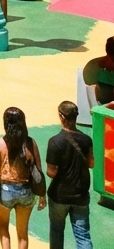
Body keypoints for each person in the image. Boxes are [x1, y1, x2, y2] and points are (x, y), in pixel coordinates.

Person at [0, 106, 46, 249]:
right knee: (23, 233)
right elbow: (39, 170)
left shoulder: (1, 143)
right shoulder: (31, 143)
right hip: (27, 191)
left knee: (3, 227)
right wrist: (43, 196)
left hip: (6, 189)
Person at [46, 101, 94, 249]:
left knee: (57, 231)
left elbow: (51, 172)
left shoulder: (55, 142)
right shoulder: (86, 140)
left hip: (59, 196)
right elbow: (91, 163)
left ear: (61, 116)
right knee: (83, 235)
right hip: (80, 196)